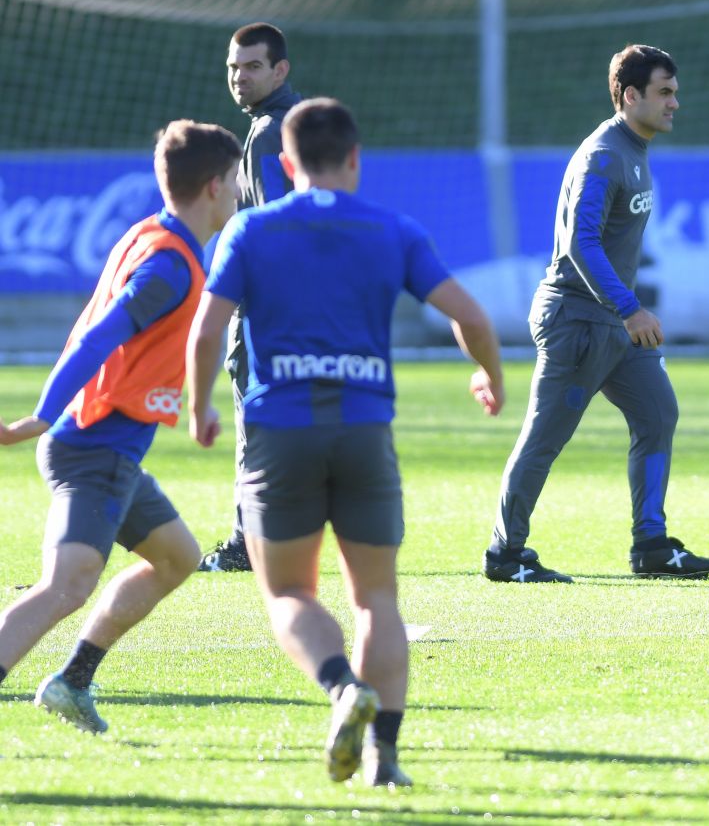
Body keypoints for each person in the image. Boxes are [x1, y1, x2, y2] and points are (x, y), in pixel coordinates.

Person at [186, 98, 505, 787]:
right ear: (356, 159)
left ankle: (340, 687)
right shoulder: (392, 229)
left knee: (291, 595)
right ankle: (384, 761)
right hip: (363, 432)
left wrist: (200, 407)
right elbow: (470, 314)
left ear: (283, 164)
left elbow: (207, 331)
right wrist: (489, 373)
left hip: (279, 436)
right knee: (376, 602)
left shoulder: (249, 230)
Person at [0, 121, 241, 732]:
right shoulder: (170, 267)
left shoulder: (154, 235)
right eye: (236, 180)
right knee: (65, 586)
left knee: (178, 558)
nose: (240, 191)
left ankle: (72, 681)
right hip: (94, 446)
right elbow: (100, 336)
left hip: (113, 451)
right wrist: (42, 414)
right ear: (214, 185)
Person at [485, 45, 709, 584]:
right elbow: (580, 244)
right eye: (665, 92)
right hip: (578, 321)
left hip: (610, 324)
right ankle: (505, 551)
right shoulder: (604, 155)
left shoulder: (633, 149)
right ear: (630, 95)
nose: (674, 103)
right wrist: (631, 308)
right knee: (546, 435)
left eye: (675, 92)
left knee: (658, 414)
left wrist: (624, 313)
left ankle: (652, 544)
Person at [199, 22, 304, 574]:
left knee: (255, 419)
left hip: (267, 306)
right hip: (309, 304)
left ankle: (246, 543)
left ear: (280, 69)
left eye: (253, 66)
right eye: (233, 68)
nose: (239, 78)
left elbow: (272, 221)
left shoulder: (268, 131)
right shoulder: (308, 122)